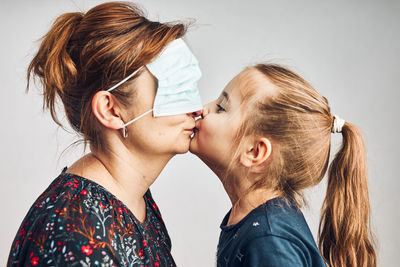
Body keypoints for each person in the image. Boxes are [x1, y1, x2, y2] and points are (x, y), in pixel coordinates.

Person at [8, 2, 202, 266]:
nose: (197, 108)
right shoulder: (75, 236)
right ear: (111, 110)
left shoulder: (134, 198)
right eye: (175, 89)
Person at [190, 63, 377, 266]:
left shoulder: (269, 241)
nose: (203, 109)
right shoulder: (252, 221)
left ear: (254, 152)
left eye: (221, 108)